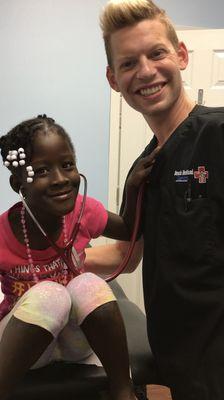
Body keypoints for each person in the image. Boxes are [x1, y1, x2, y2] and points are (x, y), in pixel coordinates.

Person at [85, 0, 224, 399]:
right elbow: (128, 252)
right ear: (113, 79)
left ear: (180, 56)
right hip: (180, 363)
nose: (145, 71)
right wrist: (42, 257)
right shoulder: (144, 168)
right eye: (128, 63)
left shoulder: (217, 134)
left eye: (157, 53)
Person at [0, 114, 158, 400]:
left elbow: (126, 229)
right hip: (28, 346)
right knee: (51, 295)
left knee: (89, 284)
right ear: (18, 184)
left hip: (75, 341)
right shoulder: (2, 232)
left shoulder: (83, 212)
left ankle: (123, 391)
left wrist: (133, 190)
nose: (61, 179)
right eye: (43, 170)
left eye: (67, 165)